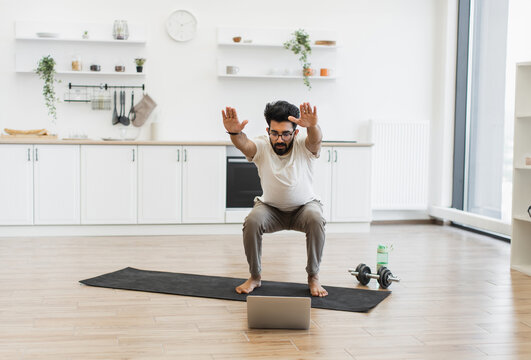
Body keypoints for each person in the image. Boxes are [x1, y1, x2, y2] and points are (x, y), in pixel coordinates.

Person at [221, 100, 328, 297]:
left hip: (304, 208)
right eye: (275, 133)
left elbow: (315, 141)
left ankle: (313, 277)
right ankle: (255, 276)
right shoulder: (262, 144)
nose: (279, 139)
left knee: (316, 218)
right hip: (271, 209)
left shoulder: (303, 144)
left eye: (286, 134)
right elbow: (245, 145)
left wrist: (312, 125)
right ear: (268, 130)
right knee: (252, 221)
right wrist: (234, 133)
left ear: (295, 133)